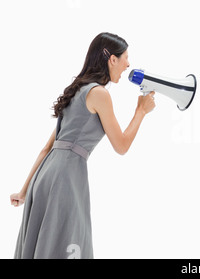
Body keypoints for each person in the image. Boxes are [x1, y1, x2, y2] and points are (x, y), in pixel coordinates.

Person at [10, 32, 156, 259]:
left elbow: (46, 148)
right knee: (70, 242)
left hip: (46, 175)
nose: (129, 64)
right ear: (112, 59)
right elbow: (122, 145)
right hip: (65, 178)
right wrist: (141, 111)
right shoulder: (99, 94)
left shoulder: (78, 89)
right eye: (126, 57)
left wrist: (25, 190)